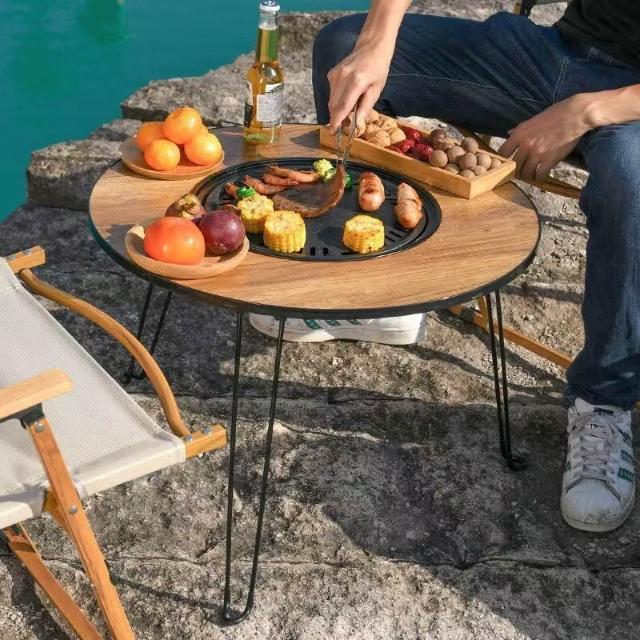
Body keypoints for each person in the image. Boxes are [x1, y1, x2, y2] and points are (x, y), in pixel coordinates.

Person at [250, 0, 640, 532]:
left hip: (629, 107)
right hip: (560, 55)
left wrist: (587, 111)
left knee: (631, 184)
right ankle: (375, 296)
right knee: (343, 48)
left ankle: (604, 404)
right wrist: (378, 39)